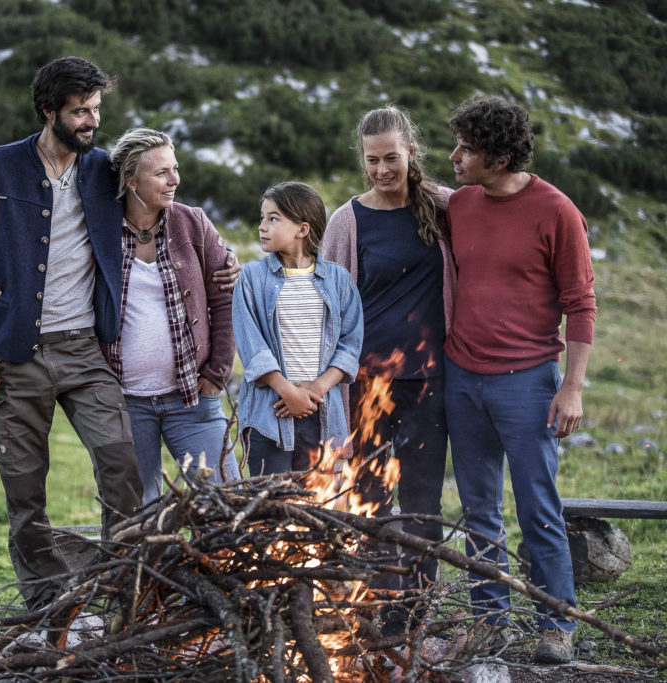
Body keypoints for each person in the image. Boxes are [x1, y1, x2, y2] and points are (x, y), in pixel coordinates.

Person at [0, 56, 143, 612]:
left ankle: (120, 593)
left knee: (121, 467)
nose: (91, 121)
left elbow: (160, 207)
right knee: (25, 492)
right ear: (48, 111)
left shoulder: (104, 169)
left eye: (96, 110)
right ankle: (48, 606)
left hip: (84, 349)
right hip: (15, 355)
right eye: (80, 111)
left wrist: (218, 257)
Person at [444, 96, 596, 664]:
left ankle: (555, 624)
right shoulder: (458, 204)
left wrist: (572, 387)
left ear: (500, 157)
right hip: (463, 376)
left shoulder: (557, 211)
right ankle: (489, 621)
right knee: (479, 508)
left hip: (528, 382)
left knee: (538, 506)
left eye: (467, 149)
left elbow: (581, 304)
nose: (454, 157)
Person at [321, 106, 456, 621]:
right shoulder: (347, 220)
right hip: (366, 381)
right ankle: (376, 602)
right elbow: (331, 302)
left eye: (392, 158)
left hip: (429, 380)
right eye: (373, 160)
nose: (382, 170)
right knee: (370, 493)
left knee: (423, 499)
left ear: (410, 153)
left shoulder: (443, 207)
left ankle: (417, 605)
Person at [105, 128, 239, 503]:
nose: (175, 179)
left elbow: (224, 298)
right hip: (125, 402)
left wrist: (217, 373)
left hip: (192, 398)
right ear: (130, 179)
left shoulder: (192, 222)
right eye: (161, 172)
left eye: (175, 168)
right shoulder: (101, 229)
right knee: (134, 511)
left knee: (219, 501)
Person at [233, 181, 363, 478]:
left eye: (273, 218)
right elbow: (251, 346)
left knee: (317, 509)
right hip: (271, 411)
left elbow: (350, 344)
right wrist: (287, 391)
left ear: (302, 229)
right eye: (262, 218)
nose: (262, 227)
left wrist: (316, 389)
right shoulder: (251, 279)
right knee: (270, 508)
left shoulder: (338, 280)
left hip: (321, 412)